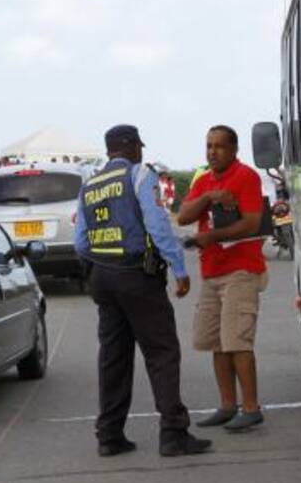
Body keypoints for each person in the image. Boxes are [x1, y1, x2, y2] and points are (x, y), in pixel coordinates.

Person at [74, 124, 210, 458]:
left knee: (113, 358)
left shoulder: (90, 185)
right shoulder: (138, 176)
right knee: (162, 352)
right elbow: (157, 226)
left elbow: (80, 242)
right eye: (139, 147)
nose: (141, 153)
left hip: (103, 278)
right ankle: (174, 434)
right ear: (132, 147)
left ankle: (109, 435)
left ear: (109, 151)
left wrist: (99, 269)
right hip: (136, 276)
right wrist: (179, 268)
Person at [177, 126, 269, 432]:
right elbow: (183, 216)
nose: (212, 152)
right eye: (208, 146)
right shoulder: (203, 181)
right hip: (212, 273)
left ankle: (251, 407)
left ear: (234, 150)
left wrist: (213, 235)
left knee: (237, 341)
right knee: (216, 342)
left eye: (219, 146)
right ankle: (228, 405)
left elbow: (252, 223)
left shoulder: (246, 177)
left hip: (240, 270)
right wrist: (209, 197)